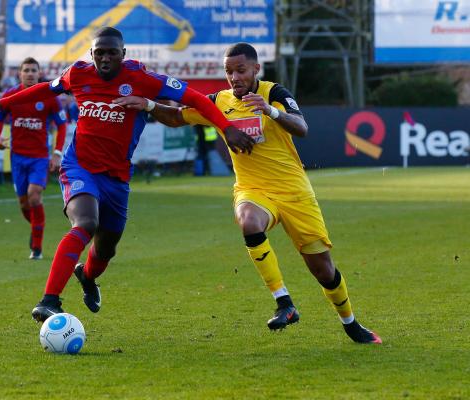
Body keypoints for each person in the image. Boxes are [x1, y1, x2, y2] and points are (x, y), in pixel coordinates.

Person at [0, 27, 252, 322]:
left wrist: (227, 127)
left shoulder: (142, 79)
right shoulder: (77, 74)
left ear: (123, 54)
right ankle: (49, 300)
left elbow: (196, 98)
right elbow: (45, 88)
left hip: (117, 176)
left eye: (111, 53)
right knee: (86, 222)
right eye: (99, 53)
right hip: (79, 165)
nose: (104, 58)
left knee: (106, 248)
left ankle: (88, 277)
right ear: (91, 54)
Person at [113, 42, 381, 344]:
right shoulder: (218, 100)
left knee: (323, 270)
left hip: (295, 193)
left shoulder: (274, 93)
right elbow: (177, 117)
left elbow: (302, 127)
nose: (235, 77)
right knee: (248, 221)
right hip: (253, 190)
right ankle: (284, 303)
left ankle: (350, 323)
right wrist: (148, 105)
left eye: (241, 70)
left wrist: (270, 111)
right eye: (229, 71)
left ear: (256, 69)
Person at [0, 57, 68, 260]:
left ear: (39, 73)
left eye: (34, 70)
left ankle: (37, 247)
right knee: (24, 204)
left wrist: (57, 153)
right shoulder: (11, 95)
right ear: (20, 74)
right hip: (17, 157)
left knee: (34, 196)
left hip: (39, 158)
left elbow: (62, 125)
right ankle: (37, 229)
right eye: (26, 70)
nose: (30, 73)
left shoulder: (49, 97)